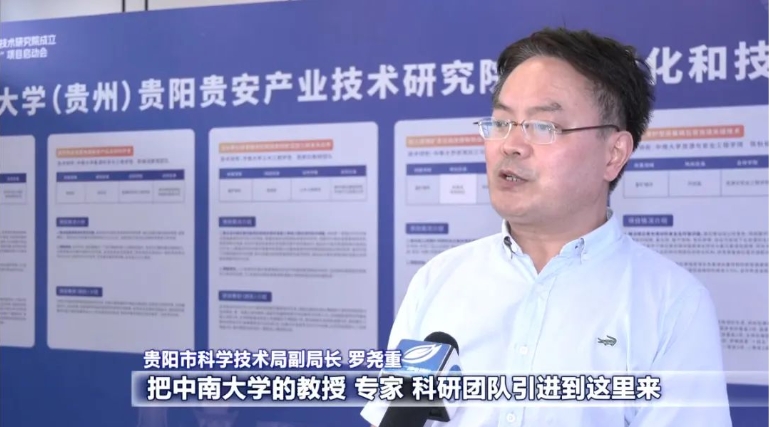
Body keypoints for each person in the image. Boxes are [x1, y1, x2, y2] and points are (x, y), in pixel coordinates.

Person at [361, 27, 732, 426]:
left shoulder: (671, 304)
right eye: (501, 122)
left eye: (542, 127)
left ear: (614, 154)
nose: (510, 145)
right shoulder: (438, 279)